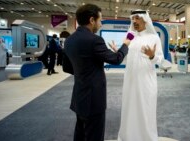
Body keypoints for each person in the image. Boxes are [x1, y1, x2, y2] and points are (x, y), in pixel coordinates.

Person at [64, 4, 130, 141]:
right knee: (95, 135)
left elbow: (67, 67)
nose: (100, 24)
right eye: (100, 20)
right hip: (93, 100)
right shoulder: (95, 40)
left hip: (79, 96)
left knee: (80, 134)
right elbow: (116, 59)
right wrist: (125, 45)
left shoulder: (69, 40)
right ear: (92, 20)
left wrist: (85, 71)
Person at [117, 10, 164, 141]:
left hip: (146, 81)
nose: (134, 21)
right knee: (130, 107)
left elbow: (160, 60)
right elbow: (128, 59)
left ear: (145, 20)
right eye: (133, 18)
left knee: (145, 109)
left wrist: (152, 56)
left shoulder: (154, 38)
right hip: (130, 80)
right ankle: (128, 136)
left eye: (137, 18)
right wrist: (118, 52)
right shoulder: (130, 37)